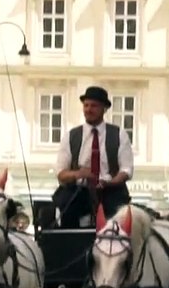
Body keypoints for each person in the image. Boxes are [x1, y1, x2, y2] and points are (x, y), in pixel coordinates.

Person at [53, 86, 134, 229]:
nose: (89, 109)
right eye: (86, 105)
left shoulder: (119, 134)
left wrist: (110, 182)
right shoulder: (71, 136)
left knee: (119, 219)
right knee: (65, 207)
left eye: (94, 106)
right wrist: (79, 174)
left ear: (104, 108)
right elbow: (60, 172)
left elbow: (126, 170)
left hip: (110, 192)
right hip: (79, 191)